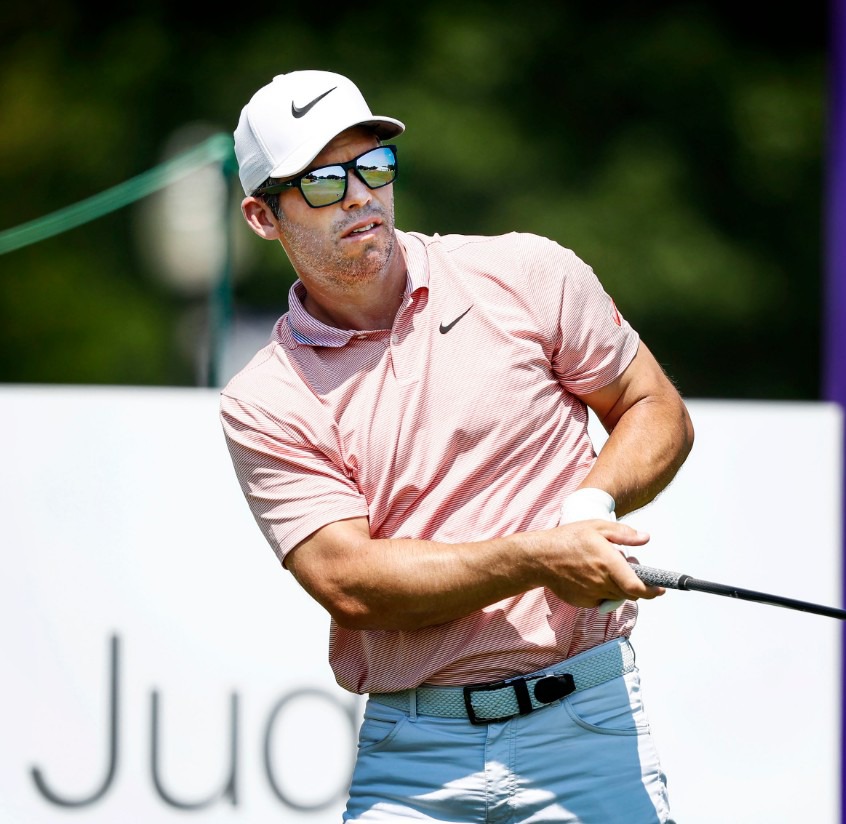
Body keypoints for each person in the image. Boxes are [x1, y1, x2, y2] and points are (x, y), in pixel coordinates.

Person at [219, 69, 694, 823]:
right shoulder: (266, 397)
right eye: (322, 182)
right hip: (414, 753)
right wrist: (541, 556)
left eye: (373, 167)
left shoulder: (525, 273)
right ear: (262, 216)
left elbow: (653, 406)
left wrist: (588, 504)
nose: (359, 196)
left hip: (587, 724)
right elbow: (350, 583)